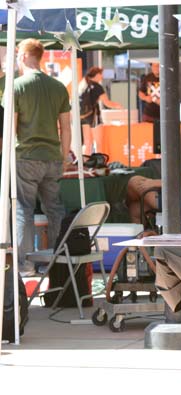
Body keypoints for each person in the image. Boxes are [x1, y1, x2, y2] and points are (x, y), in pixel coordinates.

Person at [13, 38, 70, 276]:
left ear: (25, 56)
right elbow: (65, 128)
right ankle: (58, 262)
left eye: (17, 55)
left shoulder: (17, 87)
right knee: (54, 209)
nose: (16, 59)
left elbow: (11, 128)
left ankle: (24, 264)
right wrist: (64, 157)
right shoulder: (58, 87)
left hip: (26, 156)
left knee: (23, 209)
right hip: (52, 157)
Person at [126, 116, 181, 223]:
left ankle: (122, 205)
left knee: (134, 181)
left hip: (178, 201)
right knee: (135, 209)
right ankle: (148, 232)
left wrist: (153, 183)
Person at [78, 66, 123, 154]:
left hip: (83, 116)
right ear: (97, 74)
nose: (102, 77)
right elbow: (107, 103)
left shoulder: (83, 83)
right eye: (101, 75)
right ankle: (99, 164)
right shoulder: (97, 87)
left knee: (87, 143)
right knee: (98, 143)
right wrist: (118, 106)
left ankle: (85, 164)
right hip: (94, 116)